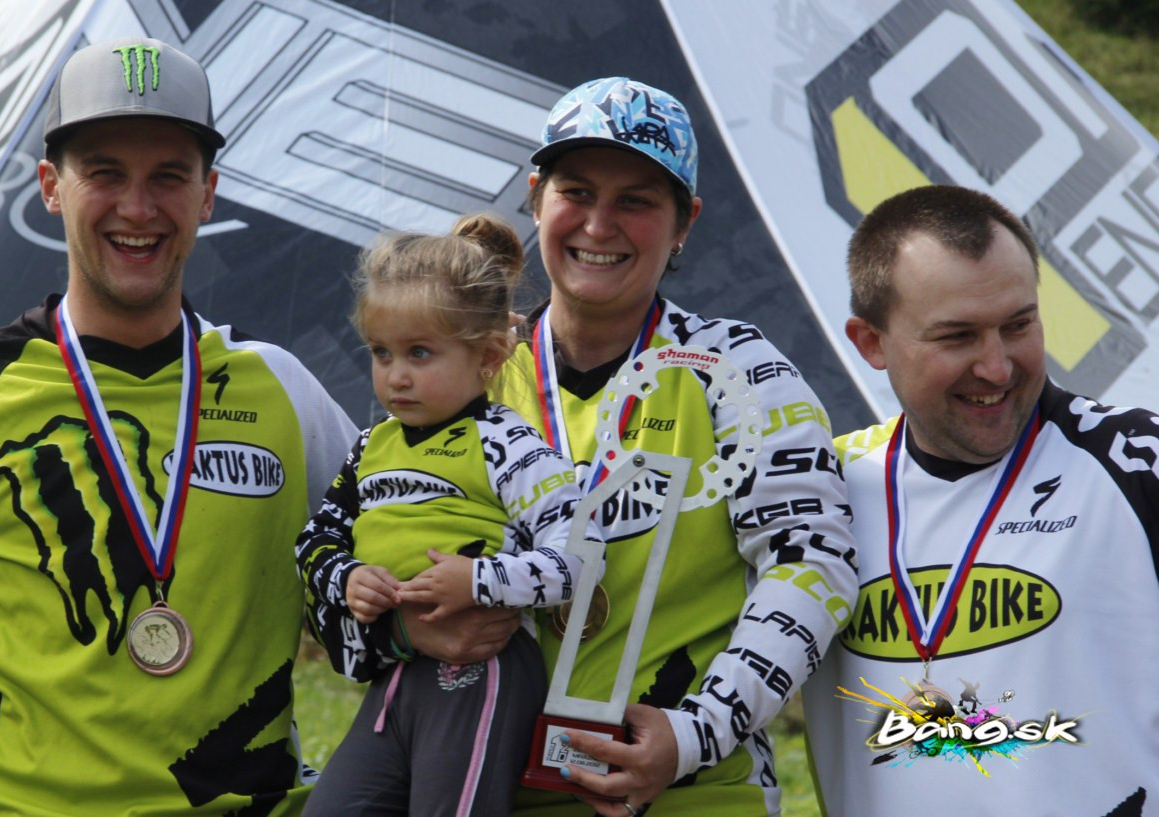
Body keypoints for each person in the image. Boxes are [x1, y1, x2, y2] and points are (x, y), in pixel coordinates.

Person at [0, 37, 355, 816]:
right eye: (104, 173)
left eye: (168, 176)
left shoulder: (284, 392)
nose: (138, 208)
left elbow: (405, 587)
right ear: (51, 188)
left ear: (208, 194)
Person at [305, 76, 859, 816]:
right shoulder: (458, 366)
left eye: (636, 200)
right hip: (486, 792)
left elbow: (813, 565)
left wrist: (693, 733)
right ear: (536, 198)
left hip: (687, 797)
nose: (599, 225)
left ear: (685, 222)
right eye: (577, 192)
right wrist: (402, 629)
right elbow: (331, 572)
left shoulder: (739, 371)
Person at [801, 185, 1159, 817]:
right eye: (958, 337)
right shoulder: (818, 490)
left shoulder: (1138, 462)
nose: (997, 367)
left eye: (1018, 325)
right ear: (871, 343)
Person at [296, 214, 600, 816]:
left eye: (420, 353)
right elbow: (314, 542)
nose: (396, 376)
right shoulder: (371, 445)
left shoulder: (509, 444)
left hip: (480, 670)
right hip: (396, 671)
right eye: (381, 352)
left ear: (488, 355)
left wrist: (478, 581)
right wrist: (349, 578)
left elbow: (580, 558)